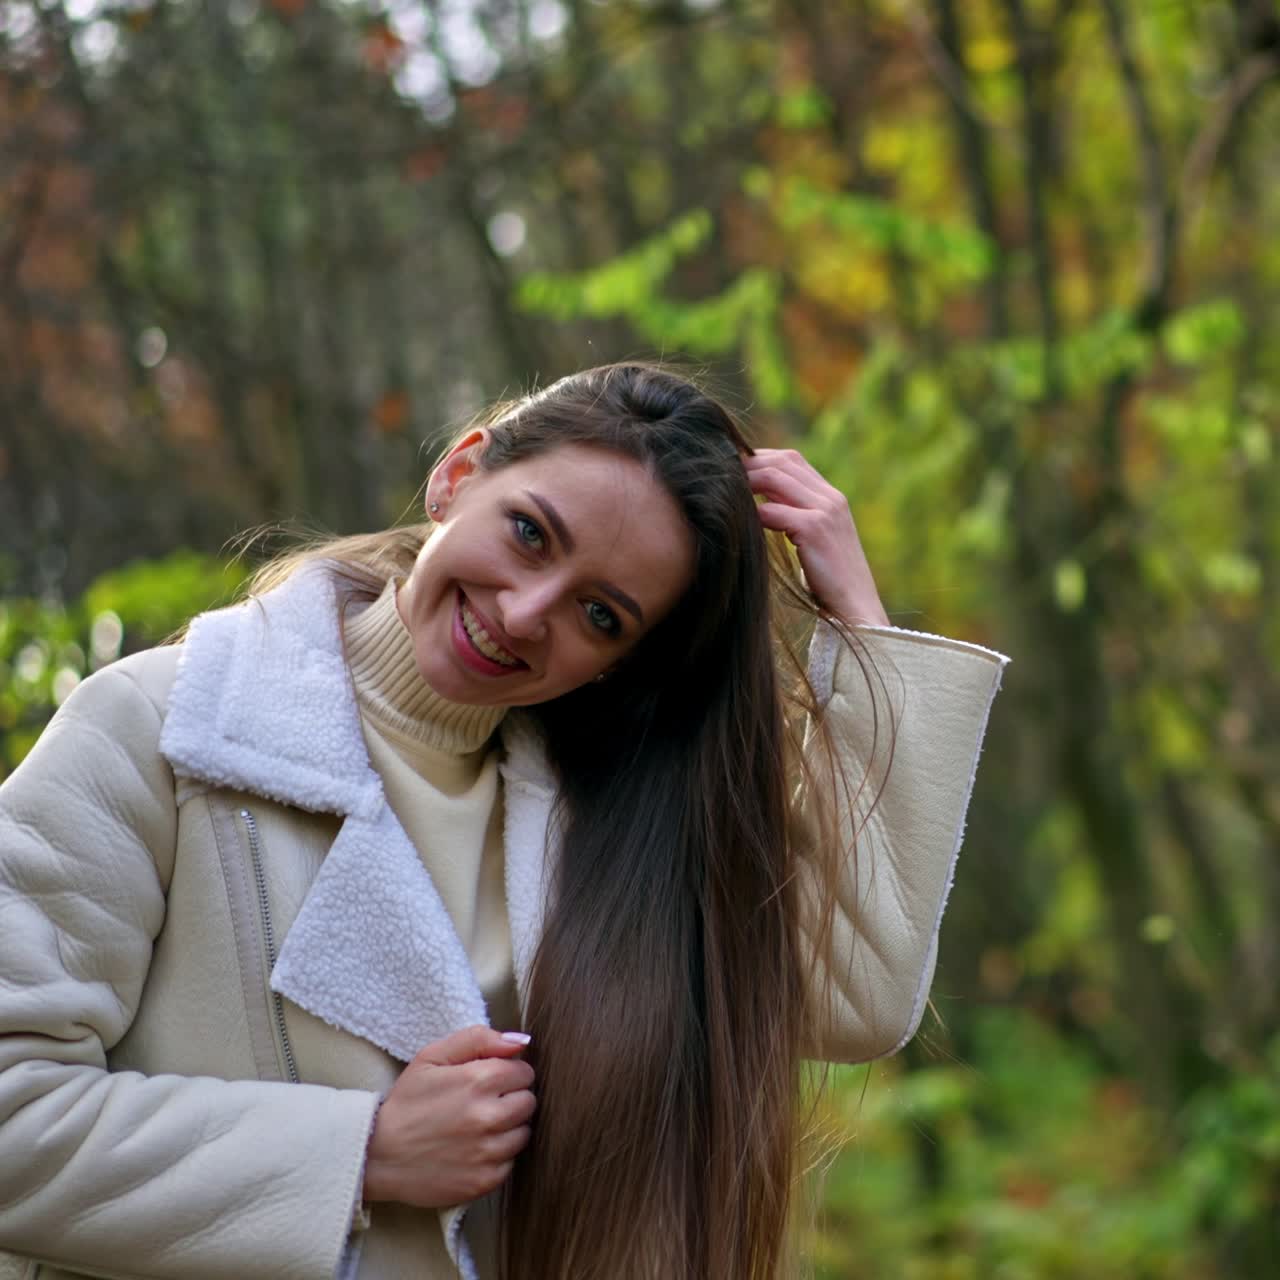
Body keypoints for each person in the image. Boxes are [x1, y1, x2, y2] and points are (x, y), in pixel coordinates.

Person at [0, 362, 1009, 1280]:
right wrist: (359, 1151)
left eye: (601, 614)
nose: (528, 612)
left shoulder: (596, 822)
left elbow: (858, 991)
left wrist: (863, 630)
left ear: (622, 662)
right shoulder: (162, 727)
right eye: (530, 532)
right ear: (459, 473)